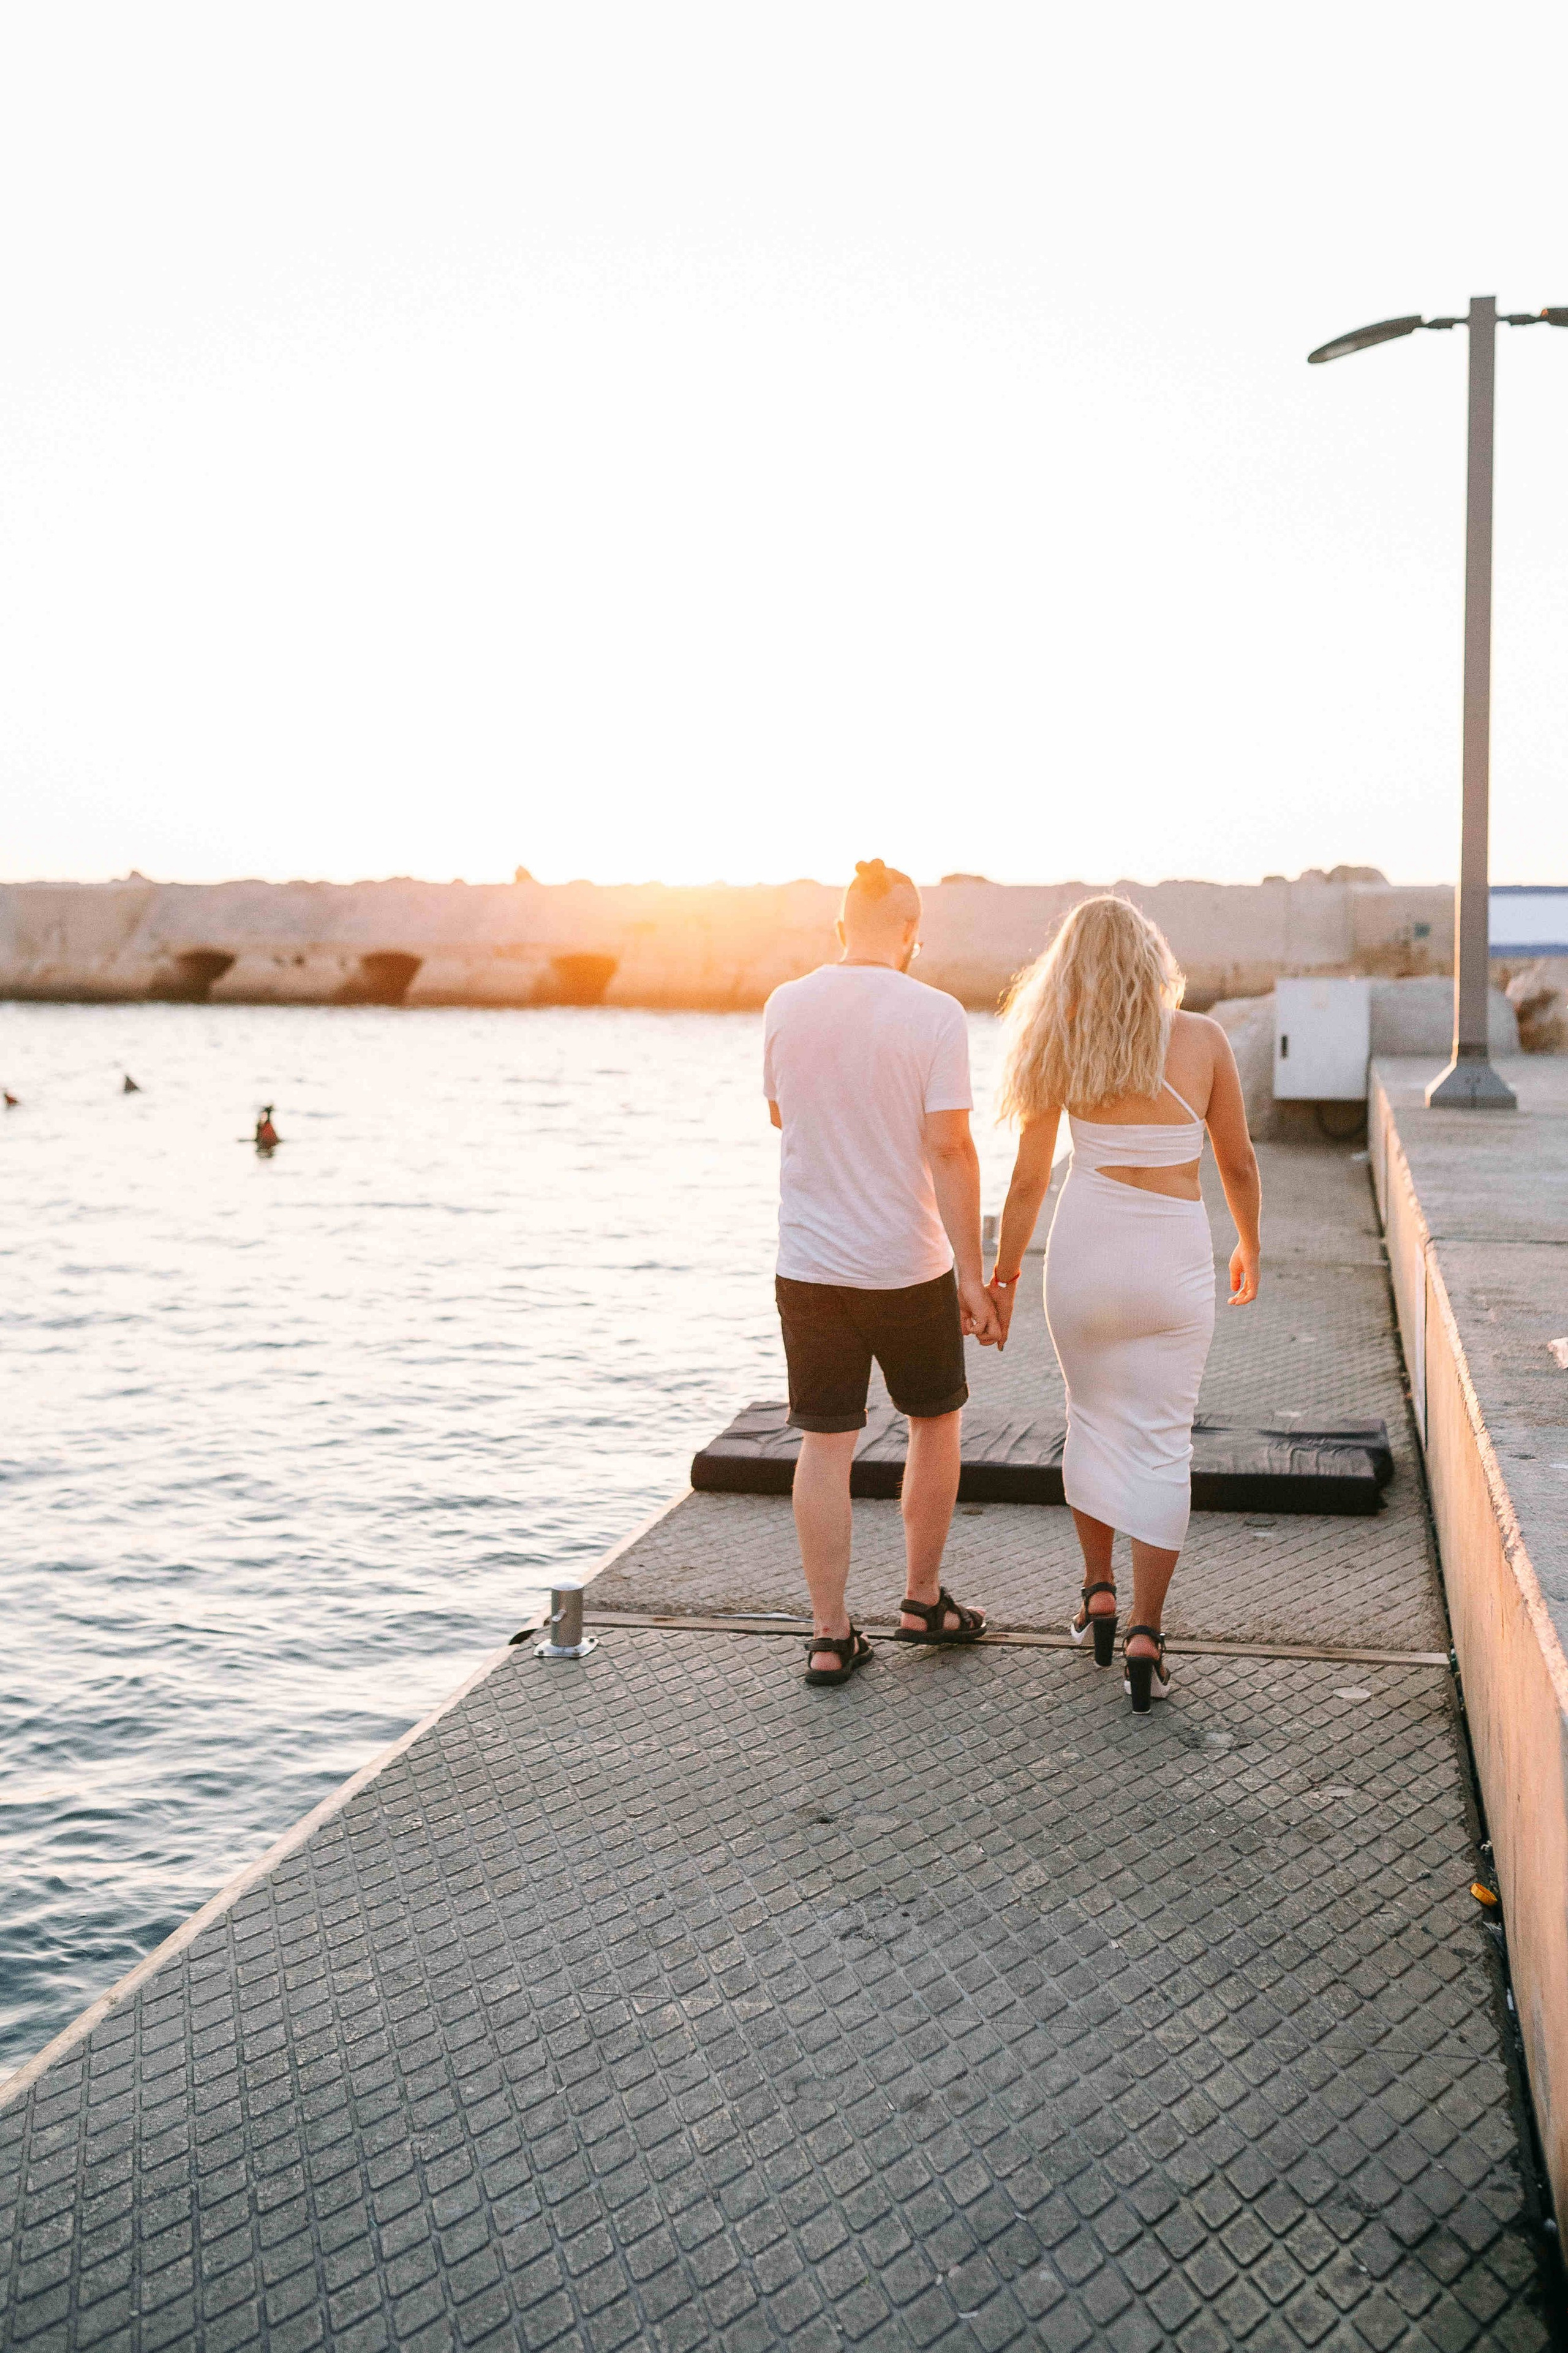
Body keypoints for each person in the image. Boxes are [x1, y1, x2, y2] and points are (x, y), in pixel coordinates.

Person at [987, 896, 1261, 1710]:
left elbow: (1028, 1180)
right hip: (1172, 1260)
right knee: (1163, 1440)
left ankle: (1097, 1591)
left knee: (1092, 1420)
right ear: (1151, 956)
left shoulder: (1062, 1042)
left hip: (1086, 1256)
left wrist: (1003, 1276)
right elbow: (1238, 1161)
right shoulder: (1203, 1039)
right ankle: (1147, 1631)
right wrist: (1250, 1243)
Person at [764, 859, 1002, 1686]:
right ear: (910, 933)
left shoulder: (785, 1004)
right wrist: (972, 1276)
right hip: (907, 1264)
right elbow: (951, 1147)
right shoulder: (935, 1013)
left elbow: (782, 1114)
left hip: (810, 1265)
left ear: (840, 928)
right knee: (934, 1423)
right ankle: (922, 1601)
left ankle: (830, 1635)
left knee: (825, 1442)